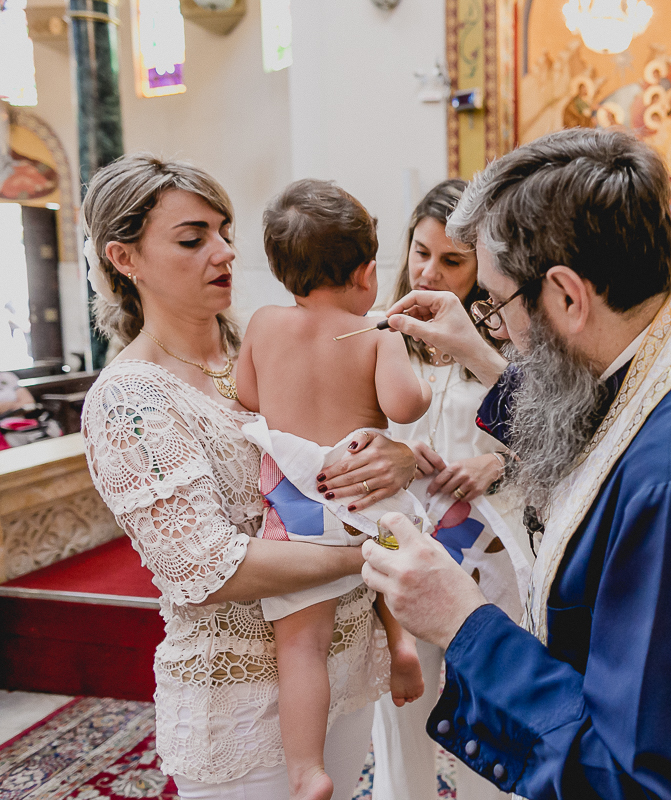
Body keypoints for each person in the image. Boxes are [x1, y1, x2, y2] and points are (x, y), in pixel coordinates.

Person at [364, 127, 671, 797]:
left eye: (496, 304)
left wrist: (464, 622)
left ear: (567, 296)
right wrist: (479, 354)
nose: (496, 324)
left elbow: (634, 780)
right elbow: (607, 435)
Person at [80, 155, 417, 800]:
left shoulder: (260, 345)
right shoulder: (130, 400)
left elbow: (354, 430)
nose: (225, 252)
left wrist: (394, 458)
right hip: (244, 700)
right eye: (193, 239)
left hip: (346, 663)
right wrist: (374, 550)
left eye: (225, 232)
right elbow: (211, 568)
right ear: (125, 260)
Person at [236, 179, 432, 800]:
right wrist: (408, 358)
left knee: (302, 647)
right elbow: (405, 406)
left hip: (299, 503)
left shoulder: (264, 324)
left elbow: (246, 394)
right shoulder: (372, 333)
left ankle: (307, 771)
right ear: (368, 272)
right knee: (389, 559)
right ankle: (401, 644)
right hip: (363, 497)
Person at [372, 178, 530, 800]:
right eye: (421, 252)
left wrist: (496, 462)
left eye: (452, 260)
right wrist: (392, 452)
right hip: (405, 547)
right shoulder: (383, 335)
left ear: (482, 266)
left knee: (488, 717)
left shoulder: (514, 342)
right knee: (401, 714)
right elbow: (355, 432)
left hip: (489, 554)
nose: (430, 272)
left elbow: (554, 435)